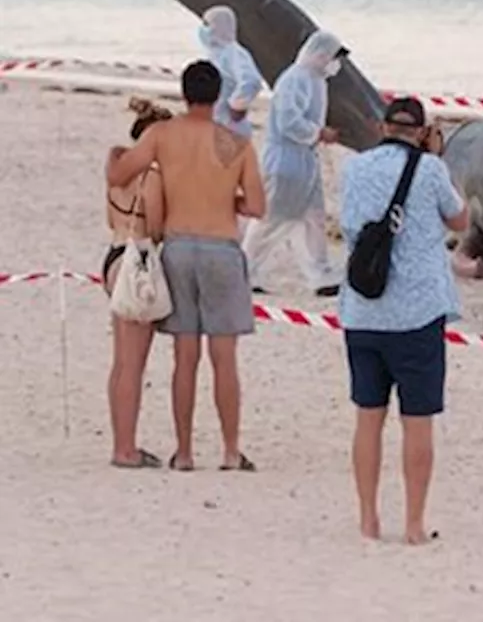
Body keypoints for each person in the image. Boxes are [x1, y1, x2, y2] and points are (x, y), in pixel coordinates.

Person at [105, 61, 267, 473]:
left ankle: (185, 452)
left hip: (178, 247)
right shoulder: (234, 142)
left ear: (183, 93)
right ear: (217, 97)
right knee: (225, 357)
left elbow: (120, 174)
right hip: (221, 248)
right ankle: (230, 451)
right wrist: (222, 199)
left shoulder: (163, 134)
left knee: (185, 356)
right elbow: (257, 206)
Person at [338, 96, 470, 544]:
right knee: (417, 420)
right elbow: (459, 219)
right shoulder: (431, 170)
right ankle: (413, 523)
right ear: (421, 131)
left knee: (367, 418)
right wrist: (436, 156)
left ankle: (367, 518)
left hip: (363, 308)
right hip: (416, 311)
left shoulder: (354, 168)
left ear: (382, 128)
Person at [242, 30, 346, 297]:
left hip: (305, 160)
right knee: (271, 217)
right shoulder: (295, 79)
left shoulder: (316, 80)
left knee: (313, 218)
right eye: (334, 57)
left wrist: (317, 135)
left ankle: (319, 276)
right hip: (286, 160)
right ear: (321, 55)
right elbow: (289, 121)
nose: (336, 65)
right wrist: (319, 133)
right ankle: (244, 270)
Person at [102, 97, 172, 469]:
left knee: (120, 362)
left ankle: (120, 441)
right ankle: (125, 448)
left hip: (113, 255)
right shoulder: (153, 176)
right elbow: (157, 228)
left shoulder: (116, 169)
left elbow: (108, 217)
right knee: (134, 364)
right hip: (138, 259)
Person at [195, 5, 264, 139]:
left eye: (206, 24)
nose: (202, 29)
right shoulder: (215, 54)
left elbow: (251, 81)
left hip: (230, 129)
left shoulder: (233, 53)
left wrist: (237, 106)